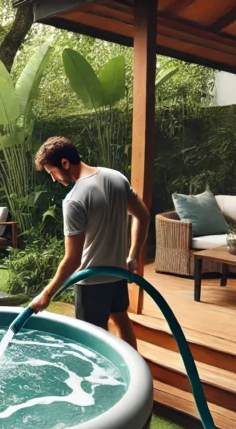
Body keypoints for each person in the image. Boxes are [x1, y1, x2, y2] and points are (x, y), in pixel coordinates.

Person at [28, 136, 150, 347]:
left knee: (91, 342)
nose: (54, 179)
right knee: (122, 322)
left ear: (65, 163)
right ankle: (137, 376)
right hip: (117, 274)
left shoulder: (74, 199)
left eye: (52, 173)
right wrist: (133, 255)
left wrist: (46, 294)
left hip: (90, 283)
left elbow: (72, 260)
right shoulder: (117, 178)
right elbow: (143, 215)